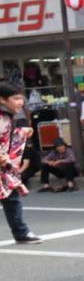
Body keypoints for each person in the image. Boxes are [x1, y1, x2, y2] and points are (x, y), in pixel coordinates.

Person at [1, 83, 41, 244]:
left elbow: (6, 137)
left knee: (12, 198)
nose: (20, 102)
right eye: (16, 98)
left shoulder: (6, 116)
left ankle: (21, 233)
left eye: (21, 99)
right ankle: (21, 233)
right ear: (2, 99)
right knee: (11, 199)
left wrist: (22, 132)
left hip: (2, 166)